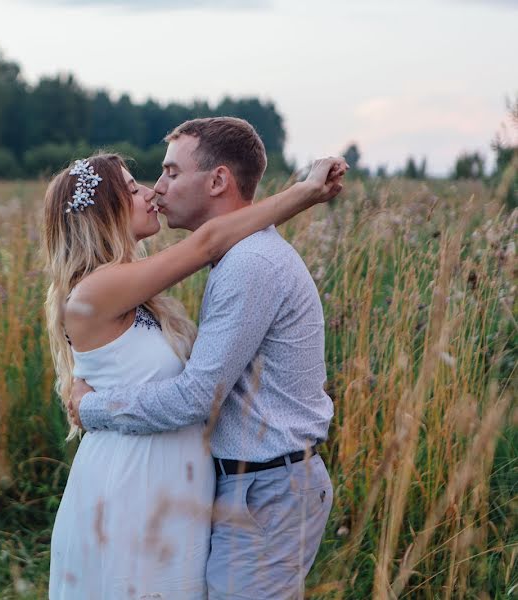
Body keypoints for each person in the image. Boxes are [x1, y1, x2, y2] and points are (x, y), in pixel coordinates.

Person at [45, 122, 346, 598]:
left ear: (218, 180)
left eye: (165, 173)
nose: (153, 191)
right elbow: (206, 243)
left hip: (219, 486)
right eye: (134, 186)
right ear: (107, 211)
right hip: (136, 479)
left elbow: (193, 393)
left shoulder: (227, 266)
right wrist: (303, 194)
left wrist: (93, 408)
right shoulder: (100, 289)